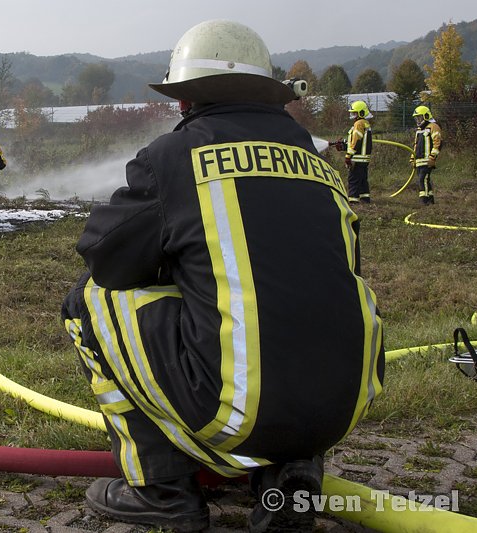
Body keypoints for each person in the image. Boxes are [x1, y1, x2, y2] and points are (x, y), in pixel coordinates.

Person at [61, 19, 385, 533]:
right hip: (342, 407)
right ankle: (291, 472)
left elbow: (104, 257)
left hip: (238, 410)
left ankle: (161, 489)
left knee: (88, 300)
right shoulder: (318, 164)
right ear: (269, 95)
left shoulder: (172, 158)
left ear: (186, 100)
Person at [411, 105, 442, 205]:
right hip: (419, 161)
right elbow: (416, 146)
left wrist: (432, 157)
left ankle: (423, 200)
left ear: (426, 116)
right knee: (425, 179)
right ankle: (430, 200)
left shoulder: (433, 127)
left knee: (422, 179)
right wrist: (413, 158)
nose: (418, 120)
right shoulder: (419, 130)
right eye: (416, 118)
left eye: (420, 117)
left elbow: (438, 143)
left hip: (427, 160)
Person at [344, 100, 373, 204]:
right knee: (362, 180)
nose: (353, 115)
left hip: (357, 158)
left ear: (361, 113)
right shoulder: (366, 123)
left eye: (355, 113)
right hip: (364, 158)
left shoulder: (359, 123)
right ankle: (365, 199)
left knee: (353, 180)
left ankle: (353, 201)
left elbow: (356, 140)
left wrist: (348, 155)